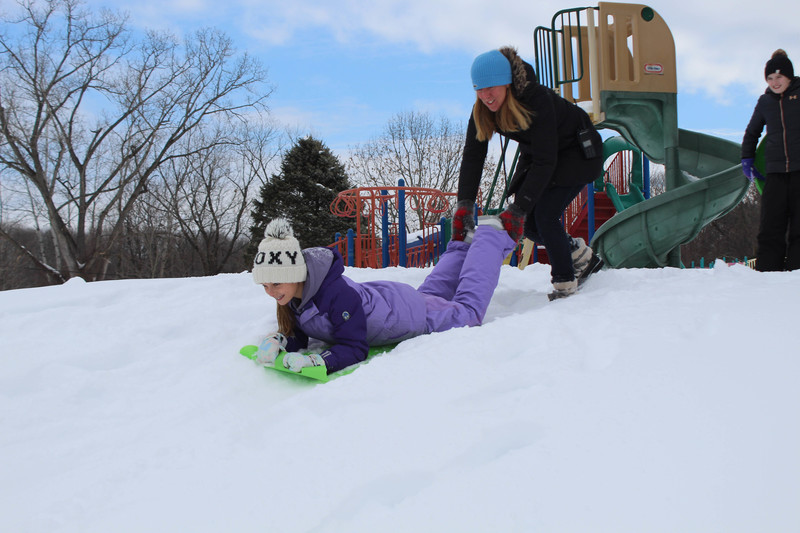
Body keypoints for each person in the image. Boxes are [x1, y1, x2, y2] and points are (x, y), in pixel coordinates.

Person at [251, 216, 515, 375]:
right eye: (265, 286)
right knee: (431, 295)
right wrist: (282, 343)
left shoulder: (334, 294)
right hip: (395, 303)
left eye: (276, 283)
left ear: (295, 273)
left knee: (467, 311)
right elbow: (300, 334)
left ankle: (491, 236)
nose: (271, 293)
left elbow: (355, 347)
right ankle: (462, 245)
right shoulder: (295, 297)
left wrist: (319, 361)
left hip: (406, 316)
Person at [453, 47, 604, 298]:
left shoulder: (536, 99)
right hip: (543, 155)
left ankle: (565, 282)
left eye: (492, 87)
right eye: (479, 89)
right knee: (529, 225)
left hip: (578, 153)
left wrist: (518, 207)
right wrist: (464, 203)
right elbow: (473, 156)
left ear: (508, 83)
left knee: (544, 215)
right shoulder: (482, 110)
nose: (486, 95)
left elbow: (546, 161)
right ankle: (579, 255)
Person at [741, 49, 800, 271]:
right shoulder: (765, 101)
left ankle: (797, 270)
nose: (775, 82)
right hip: (775, 173)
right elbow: (752, 131)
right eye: (770, 78)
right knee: (770, 225)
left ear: (789, 77)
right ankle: (767, 270)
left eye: (779, 77)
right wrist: (747, 158)